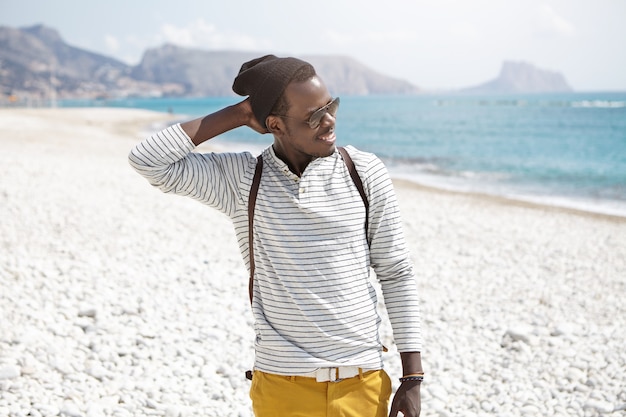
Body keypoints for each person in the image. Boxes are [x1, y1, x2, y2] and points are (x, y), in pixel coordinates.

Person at [129, 55, 423, 417]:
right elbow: (147, 159)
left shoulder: (363, 173)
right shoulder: (242, 180)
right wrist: (238, 114)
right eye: (314, 115)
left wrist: (413, 377)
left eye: (331, 106)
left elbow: (396, 272)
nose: (329, 121)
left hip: (363, 384)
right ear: (274, 124)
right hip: (283, 389)